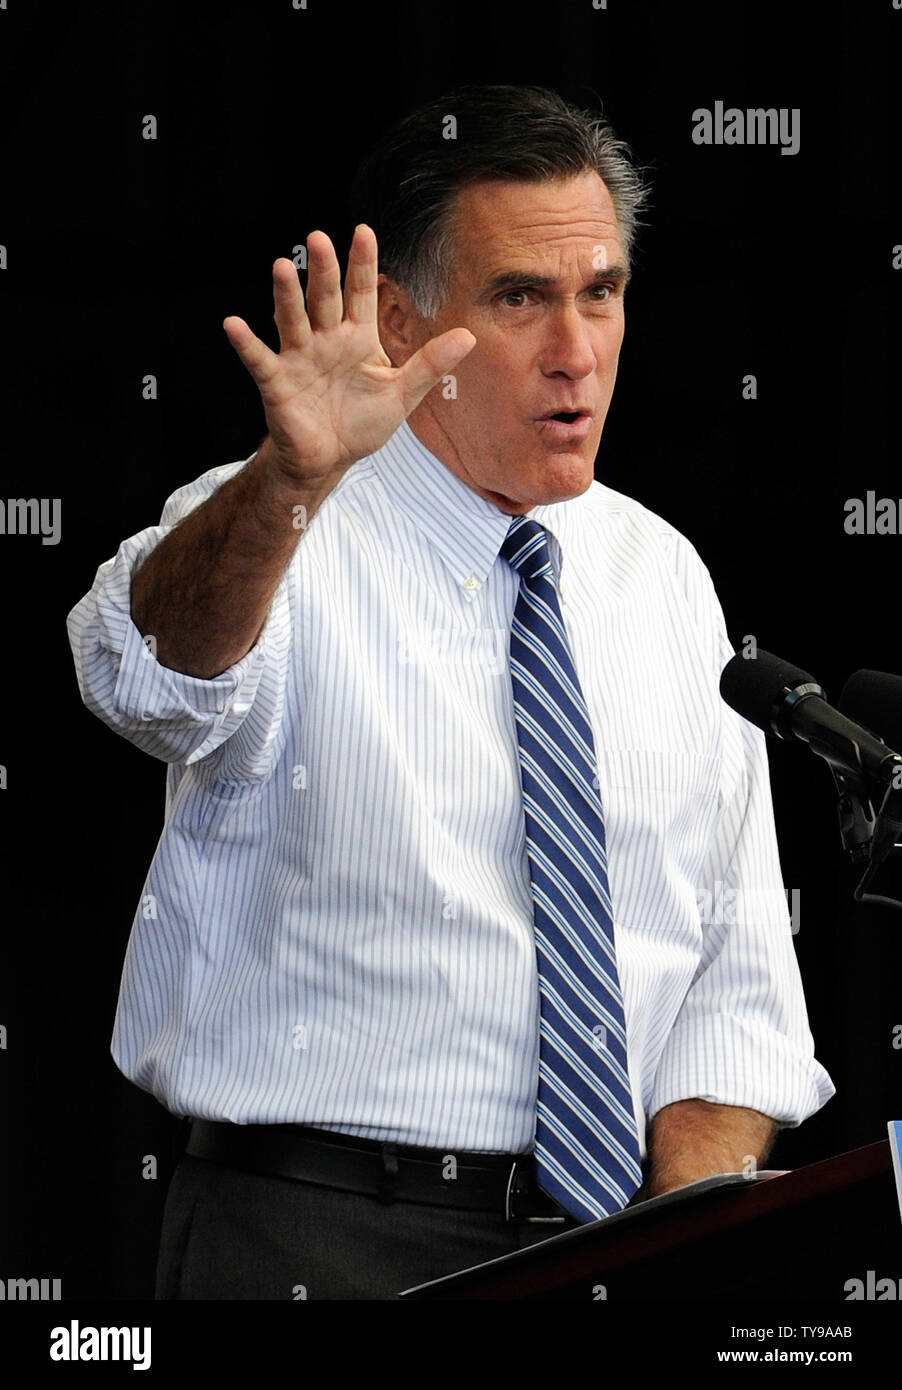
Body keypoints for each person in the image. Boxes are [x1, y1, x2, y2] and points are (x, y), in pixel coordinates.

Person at [66, 84, 834, 1300]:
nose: (574, 351)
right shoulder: (288, 524)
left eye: (601, 292)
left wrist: (684, 1242)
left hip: (614, 1247)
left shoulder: (662, 574)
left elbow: (732, 978)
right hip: (315, 1243)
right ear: (398, 321)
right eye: (519, 298)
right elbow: (149, 678)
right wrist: (284, 480)